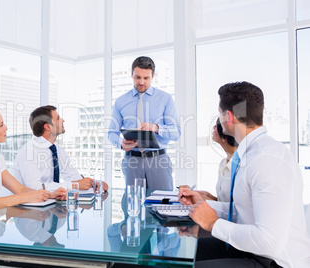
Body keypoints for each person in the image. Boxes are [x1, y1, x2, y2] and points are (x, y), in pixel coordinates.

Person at [179, 82, 310, 267]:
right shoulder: (250, 153)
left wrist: (213, 223)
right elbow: (242, 210)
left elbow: (269, 242)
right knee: (184, 254)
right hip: (252, 249)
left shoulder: (266, 159)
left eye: (220, 112)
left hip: (274, 261)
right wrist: (205, 204)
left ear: (229, 116)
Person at [108, 56, 181, 190]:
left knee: (162, 204)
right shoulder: (120, 101)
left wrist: (155, 127)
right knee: (133, 204)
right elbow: (112, 132)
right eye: (137, 77)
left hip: (158, 160)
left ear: (153, 76)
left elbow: (176, 133)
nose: (141, 82)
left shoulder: (165, 99)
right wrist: (121, 143)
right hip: (132, 161)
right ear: (131, 75)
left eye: (146, 78)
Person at [12, 105, 108, 192]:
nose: (62, 120)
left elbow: (71, 175)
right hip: (27, 208)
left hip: (49, 204)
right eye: (58, 118)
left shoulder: (56, 148)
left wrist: (93, 183)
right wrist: (75, 185)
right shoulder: (29, 151)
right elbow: (34, 187)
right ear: (48, 127)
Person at [179, 118, 237, 202]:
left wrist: (200, 198)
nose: (213, 127)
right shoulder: (223, 163)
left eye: (217, 126)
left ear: (225, 135)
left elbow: (235, 210)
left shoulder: (240, 166)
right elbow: (222, 203)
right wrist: (204, 196)